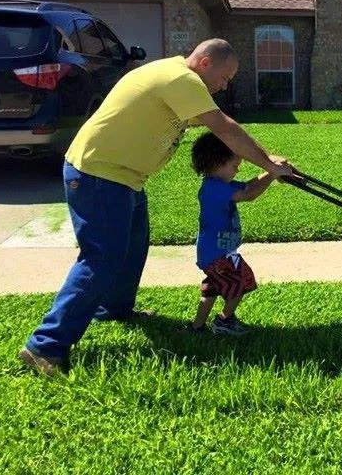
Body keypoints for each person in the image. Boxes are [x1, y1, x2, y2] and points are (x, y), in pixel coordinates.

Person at [19, 39, 293, 376]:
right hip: (99, 174)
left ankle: (114, 309)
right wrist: (269, 165)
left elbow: (220, 131)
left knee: (133, 248)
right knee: (102, 257)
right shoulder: (181, 79)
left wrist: (268, 163)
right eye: (225, 77)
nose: (225, 86)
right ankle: (45, 347)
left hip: (124, 178)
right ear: (205, 63)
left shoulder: (177, 79)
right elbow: (224, 129)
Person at [188, 132, 277, 335]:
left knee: (212, 289)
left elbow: (249, 185)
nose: (238, 170)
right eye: (235, 165)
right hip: (219, 255)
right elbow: (248, 194)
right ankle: (224, 320)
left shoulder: (220, 184)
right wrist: (272, 174)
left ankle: (197, 327)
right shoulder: (213, 189)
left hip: (218, 252)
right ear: (217, 164)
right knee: (241, 281)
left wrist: (271, 169)